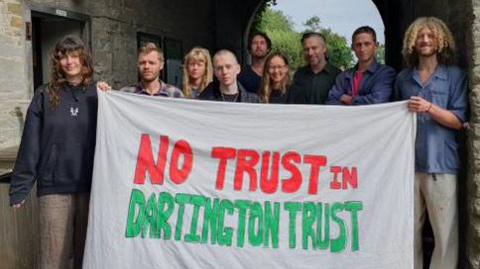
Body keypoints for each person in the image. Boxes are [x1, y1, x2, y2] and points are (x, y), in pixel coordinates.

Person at [9, 36, 97, 269]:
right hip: (53, 189)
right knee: (52, 258)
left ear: (83, 58)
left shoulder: (99, 95)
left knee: (87, 256)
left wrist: (110, 95)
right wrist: (20, 186)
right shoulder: (44, 95)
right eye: (63, 57)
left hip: (91, 187)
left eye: (74, 55)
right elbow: (30, 143)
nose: (69, 61)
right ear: (58, 62)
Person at [395, 17, 468, 269]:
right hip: (408, 166)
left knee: (444, 235)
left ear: (440, 40)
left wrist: (429, 107)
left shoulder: (455, 76)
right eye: (420, 36)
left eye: (430, 36)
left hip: (442, 164)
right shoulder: (403, 78)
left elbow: (458, 120)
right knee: (407, 232)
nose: (425, 40)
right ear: (412, 43)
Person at [326, 26, 396, 105]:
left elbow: (377, 100)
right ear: (353, 47)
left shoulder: (385, 73)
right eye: (358, 45)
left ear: (376, 45)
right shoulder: (343, 76)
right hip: (346, 117)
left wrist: (350, 100)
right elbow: (331, 102)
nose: (362, 49)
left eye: (367, 44)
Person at [287, 32, 341, 104]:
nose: (310, 53)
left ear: (324, 48)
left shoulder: (338, 76)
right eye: (306, 49)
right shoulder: (299, 75)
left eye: (314, 48)